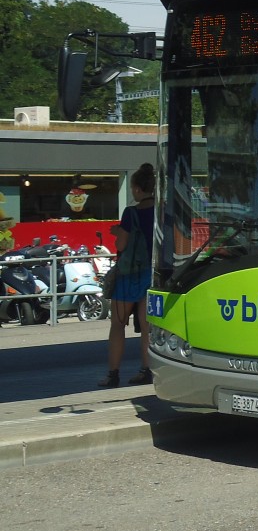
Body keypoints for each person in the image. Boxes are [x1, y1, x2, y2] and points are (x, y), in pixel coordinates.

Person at [99, 163, 155, 387]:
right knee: (147, 327)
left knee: (118, 326)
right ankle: (147, 370)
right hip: (152, 274)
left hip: (130, 276)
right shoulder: (162, 210)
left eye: (133, 189)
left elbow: (122, 243)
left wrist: (118, 233)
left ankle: (113, 374)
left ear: (138, 190)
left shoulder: (131, 213)